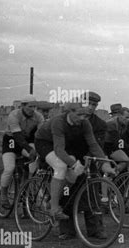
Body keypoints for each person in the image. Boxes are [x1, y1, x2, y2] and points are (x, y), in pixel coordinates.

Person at [34, 102, 115, 239]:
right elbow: (59, 149)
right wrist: (73, 163)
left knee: (74, 174)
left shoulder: (85, 124)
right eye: (79, 114)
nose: (83, 117)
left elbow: (93, 144)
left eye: (85, 115)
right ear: (69, 112)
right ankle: (54, 208)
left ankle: (55, 197)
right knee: (61, 166)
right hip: (45, 143)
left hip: (66, 147)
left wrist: (105, 163)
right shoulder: (59, 122)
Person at [0, 95, 44, 208]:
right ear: (23, 106)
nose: (33, 109)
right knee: (9, 168)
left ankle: (27, 188)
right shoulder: (14, 115)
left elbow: (41, 135)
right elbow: (17, 136)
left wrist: (38, 150)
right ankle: (3, 194)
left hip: (26, 141)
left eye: (35, 106)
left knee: (35, 162)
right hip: (11, 140)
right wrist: (30, 150)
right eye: (30, 106)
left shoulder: (38, 116)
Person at [104, 104, 129, 173]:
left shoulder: (127, 124)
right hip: (106, 146)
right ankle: (110, 175)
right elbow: (118, 141)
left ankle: (115, 176)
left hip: (115, 145)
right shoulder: (111, 123)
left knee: (125, 160)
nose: (128, 120)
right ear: (119, 115)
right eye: (126, 117)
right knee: (125, 160)